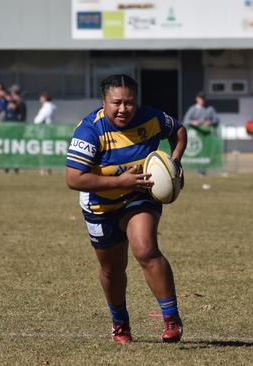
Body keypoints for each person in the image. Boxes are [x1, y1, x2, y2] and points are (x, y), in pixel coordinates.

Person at [65, 74, 187, 344]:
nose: (123, 109)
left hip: (139, 195)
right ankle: (120, 323)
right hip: (100, 205)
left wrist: (174, 162)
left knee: (145, 249)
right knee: (112, 269)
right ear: (103, 102)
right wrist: (119, 181)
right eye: (116, 103)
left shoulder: (152, 118)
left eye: (129, 103)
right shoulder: (89, 130)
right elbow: (74, 179)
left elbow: (178, 131)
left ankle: (171, 318)